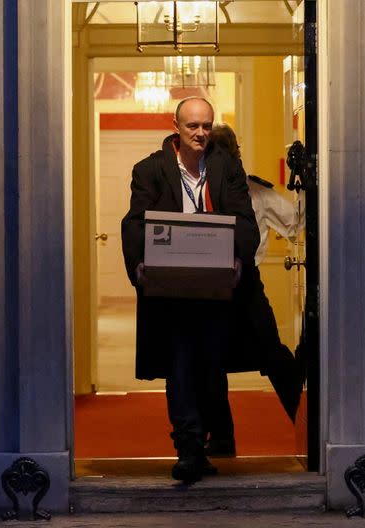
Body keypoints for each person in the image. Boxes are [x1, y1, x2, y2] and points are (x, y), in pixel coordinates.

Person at [120, 97, 260, 483]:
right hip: (171, 293)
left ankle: (202, 446)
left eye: (206, 126)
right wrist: (139, 266)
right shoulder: (149, 170)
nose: (200, 133)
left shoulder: (226, 167)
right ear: (176, 127)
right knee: (180, 367)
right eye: (193, 126)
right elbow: (135, 222)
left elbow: (245, 221)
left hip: (216, 291)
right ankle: (187, 449)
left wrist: (238, 260)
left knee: (212, 369)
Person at [204, 123, 306, 458]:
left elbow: (294, 224)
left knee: (217, 362)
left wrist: (303, 181)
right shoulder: (227, 192)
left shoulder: (253, 192)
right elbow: (295, 222)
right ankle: (303, 420)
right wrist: (304, 187)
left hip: (235, 286)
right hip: (236, 287)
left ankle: (222, 439)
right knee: (261, 356)